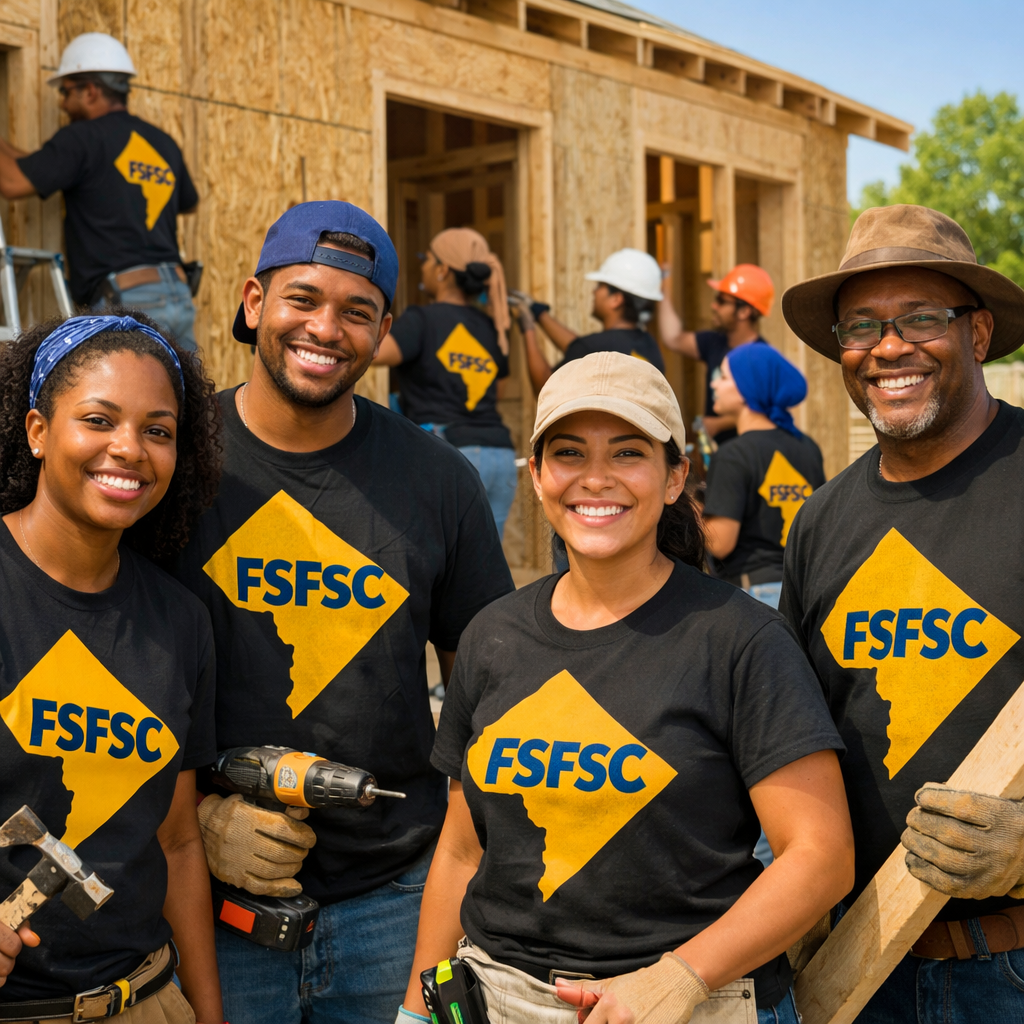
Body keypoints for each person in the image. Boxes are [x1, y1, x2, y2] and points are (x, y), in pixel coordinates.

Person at [395, 350, 855, 1024]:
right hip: (502, 1002)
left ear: (675, 477)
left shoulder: (740, 639)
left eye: (629, 453)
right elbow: (463, 851)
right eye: (570, 453)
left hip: (693, 1003)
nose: (596, 479)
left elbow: (821, 856)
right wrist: (416, 1010)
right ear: (537, 476)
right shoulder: (493, 636)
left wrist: (678, 978)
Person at [171, 201, 515, 1024]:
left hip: (393, 902)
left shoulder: (437, 481)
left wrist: (464, 867)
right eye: (303, 299)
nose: (326, 328)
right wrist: (192, 820)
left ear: (383, 331)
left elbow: (491, 688)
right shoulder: (172, 461)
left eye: (356, 312)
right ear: (254, 305)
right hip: (211, 901)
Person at [779, 203, 1024, 1022]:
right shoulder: (823, 522)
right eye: (862, 327)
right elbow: (794, 737)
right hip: (859, 967)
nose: (889, 347)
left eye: (922, 318)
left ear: (979, 335)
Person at [0, 312, 222, 1022]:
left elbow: (177, 841)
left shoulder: (180, 620)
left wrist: (207, 1013)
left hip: (145, 999)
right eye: (99, 419)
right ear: (38, 431)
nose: (128, 449)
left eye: (158, 430)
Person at [0, 34, 200, 350]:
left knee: (132, 398)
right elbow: (188, 203)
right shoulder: (161, 142)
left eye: (66, 93)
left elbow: (11, 182)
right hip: (177, 293)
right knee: (183, 397)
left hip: (131, 300)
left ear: (90, 91)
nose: (63, 103)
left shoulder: (82, 139)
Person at [373, 228, 517, 538]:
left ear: (442, 270)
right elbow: (498, 390)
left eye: (426, 259)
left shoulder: (422, 320)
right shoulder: (492, 327)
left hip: (450, 450)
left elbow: (372, 352)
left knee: (436, 562)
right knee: (484, 571)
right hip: (500, 454)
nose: (421, 266)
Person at [703, 343, 824, 609]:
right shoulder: (808, 448)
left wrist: (688, 508)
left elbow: (720, 542)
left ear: (747, 389)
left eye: (722, 377)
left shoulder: (733, 454)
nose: (714, 385)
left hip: (755, 594)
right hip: (805, 593)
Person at [514, 248, 665, 394]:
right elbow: (578, 347)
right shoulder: (649, 344)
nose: (594, 290)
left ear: (616, 299)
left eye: (601, 286)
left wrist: (528, 329)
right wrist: (539, 313)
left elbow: (544, 388)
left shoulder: (594, 347)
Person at [658, 264, 774, 443]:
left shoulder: (760, 356)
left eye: (721, 301)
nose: (714, 306)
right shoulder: (715, 342)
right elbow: (673, 338)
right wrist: (664, 289)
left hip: (746, 452)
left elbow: (766, 409)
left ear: (744, 311)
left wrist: (719, 424)